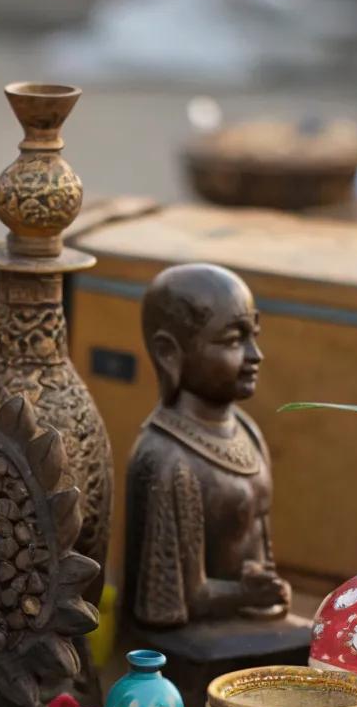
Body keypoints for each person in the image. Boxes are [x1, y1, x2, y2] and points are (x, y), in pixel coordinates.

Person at [124, 262, 292, 628]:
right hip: (183, 647)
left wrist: (268, 589)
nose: (255, 355)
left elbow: (260, 558)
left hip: (246, 624)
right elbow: (165, 604)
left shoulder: (248, 431)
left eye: (254, 336)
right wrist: (246, 595)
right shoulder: (167, 458)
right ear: (170, 353)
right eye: (233, 340)